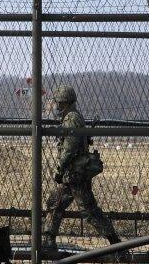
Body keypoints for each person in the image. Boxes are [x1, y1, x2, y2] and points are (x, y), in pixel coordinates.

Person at [42, 84, 121, 251]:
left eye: (58, 103)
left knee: (89, 211)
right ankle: (49, 241)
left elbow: (69, 148)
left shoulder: (71, 118)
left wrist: (59, 169)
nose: (56, 107)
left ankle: (116, 243)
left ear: (63, 103)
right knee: (55, 204)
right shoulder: (73, 116)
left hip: (74, 175)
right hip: (72, 175)